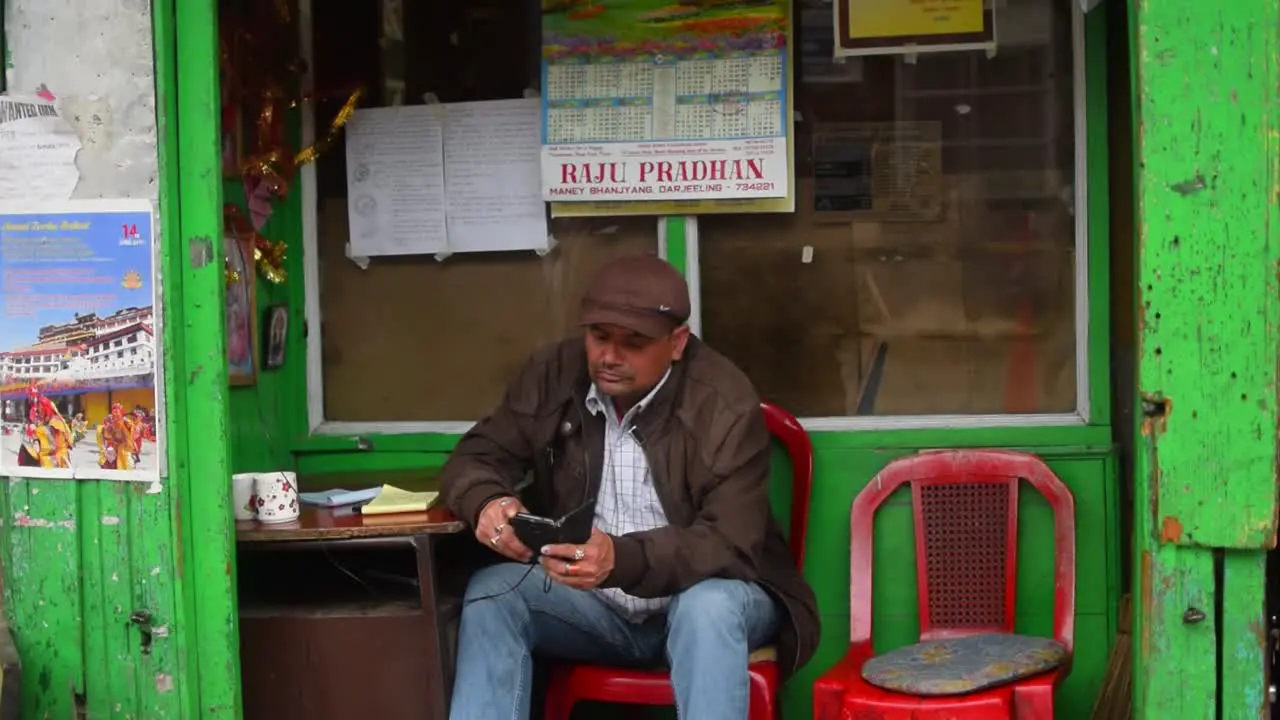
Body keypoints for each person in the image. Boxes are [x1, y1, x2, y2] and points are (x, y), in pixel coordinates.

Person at [441, 254, 820, 720]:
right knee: (492, 594)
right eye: (599, 337)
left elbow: (730, 544)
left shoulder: (722, 400)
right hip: (592, 607)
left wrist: (621, 559)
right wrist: (488, 501)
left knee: (708, 607)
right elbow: (477, 455)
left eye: (634, 343)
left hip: (709, 598)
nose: (609, 357)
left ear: (677, 342)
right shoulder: (554, 374)